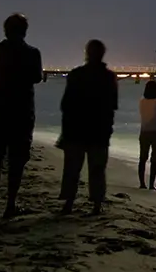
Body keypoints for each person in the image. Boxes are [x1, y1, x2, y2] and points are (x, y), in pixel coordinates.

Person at [0, 13, 43, 220]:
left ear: (6, 30)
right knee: (17, 161)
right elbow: (36, 77)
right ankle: (10, 204)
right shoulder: (32, 53)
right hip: (22, 113)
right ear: (24, 31)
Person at [59, 40, 119, 215]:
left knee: (72, 169)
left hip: (76, 129)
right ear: (102, 54)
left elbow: (66, 105)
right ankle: (97, 205)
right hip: (99, 130)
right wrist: (108, 128)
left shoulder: (76, 75)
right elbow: (112, 105)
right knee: (97, 169)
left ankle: (69, 203)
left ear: (86, 53)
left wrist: (65, 130)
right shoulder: (109, 77)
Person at [138, 80, 156, 190]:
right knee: (154, 159)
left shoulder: (141, 102)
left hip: (144, 131)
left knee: (142, 158)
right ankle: (151, 185)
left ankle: (142, 184)